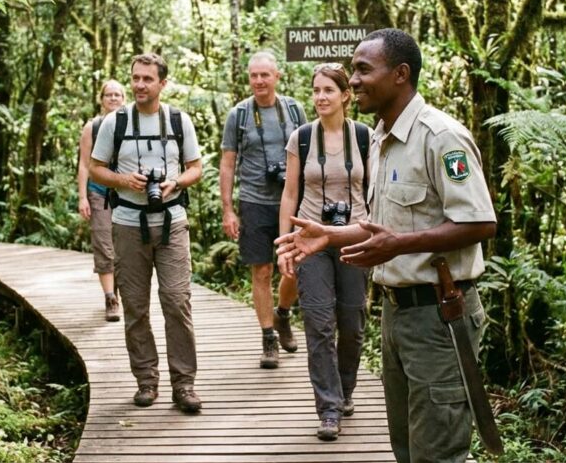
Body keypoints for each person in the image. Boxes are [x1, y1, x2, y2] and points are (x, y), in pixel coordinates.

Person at [276, 29, 496, 463]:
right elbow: (384, 228)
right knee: (406, 449)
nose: (354, 80)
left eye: (363, 70)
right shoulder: (380, 138)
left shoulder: (441, 136)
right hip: (396, 315)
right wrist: (331, 235)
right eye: (352, 70)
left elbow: (480, 222)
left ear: (400, 74)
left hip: (440, 315)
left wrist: (399, 246)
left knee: (437, 452)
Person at [90, 53, 204, 413]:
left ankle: (184, 385)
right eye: (135, 78)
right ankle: (146, 381)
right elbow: (95, 168)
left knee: (176, 301)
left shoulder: (178, 120)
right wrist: (125, 180)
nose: (140, 85)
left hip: (172, 222)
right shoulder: (115, 122)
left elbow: (196, 167)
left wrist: (175, 182)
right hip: (127, 223)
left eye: (147, 79)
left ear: (162, 83)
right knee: (136, 307)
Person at [278, 63, 371, 441]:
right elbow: (289, 194)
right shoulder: (301, 138)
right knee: (319, 324)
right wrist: (285, 244)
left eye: (328, 90)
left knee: (352, 323)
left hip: (354, 237)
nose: (320, 97)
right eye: (316, 90)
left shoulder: (365, 137)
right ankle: (329, 408)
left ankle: (345, 390)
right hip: (309, 239)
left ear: (346, 95)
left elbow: (376, 191)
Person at [219, 51, 307, 369]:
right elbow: (228, 163)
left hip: (292, 201)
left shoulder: (294, 110)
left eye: (264, 75)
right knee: (262, 270)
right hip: (254, 201)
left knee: (294, 266)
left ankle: (282, 313)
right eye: (254, 75)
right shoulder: (239, 115)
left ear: (276, 76)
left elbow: (310, 153)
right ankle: (268, 338)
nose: (259, 81)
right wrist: (228, 209)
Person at [77, 80, 126, 322]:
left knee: (125, 248)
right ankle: (110, 298)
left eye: (117, 95)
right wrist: (82, 197)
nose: (113, 98)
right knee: (104, 244)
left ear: (124, 99)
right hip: (99, 193)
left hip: (127, 193)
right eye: (109, 95)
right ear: (102, 99)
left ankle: (123, 293)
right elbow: (84, 164)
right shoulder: (92, 127)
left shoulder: (131, 125)